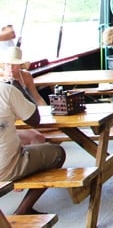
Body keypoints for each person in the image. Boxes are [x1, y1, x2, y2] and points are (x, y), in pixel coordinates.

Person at [0, 47, 66, 215]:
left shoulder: (23, 78)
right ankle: (23, 211)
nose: (11, 68)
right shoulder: (6, 90)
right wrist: (17, 90)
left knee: (34, 137)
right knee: (58, 153)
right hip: (5, 167)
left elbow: (36, 99)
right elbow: (34, 119)